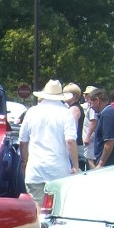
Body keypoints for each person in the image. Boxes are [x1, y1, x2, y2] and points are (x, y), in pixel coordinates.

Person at [19, 79, 79, 207]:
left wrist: (25, 161)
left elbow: (23, 141)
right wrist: (75, 165)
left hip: (35, 168)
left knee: (37, 209)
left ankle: (40, 227)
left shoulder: (31, 112)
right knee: (58, 208)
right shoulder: (66, 113)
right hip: (59, 170)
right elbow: (70, 141)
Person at [86, 87, 114, 168]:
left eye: (90, 103)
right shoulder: (110, 111)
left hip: (110, 163)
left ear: (97, 100)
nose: (90, 107)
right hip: (111, 162)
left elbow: (109, 142)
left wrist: (101, 163)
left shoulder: (107, 114)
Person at [63, 83, 86, 169]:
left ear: (74, 96)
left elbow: (73, 129)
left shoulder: (74, 109)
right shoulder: (74, 108)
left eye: (66, 94)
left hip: (76, 145)